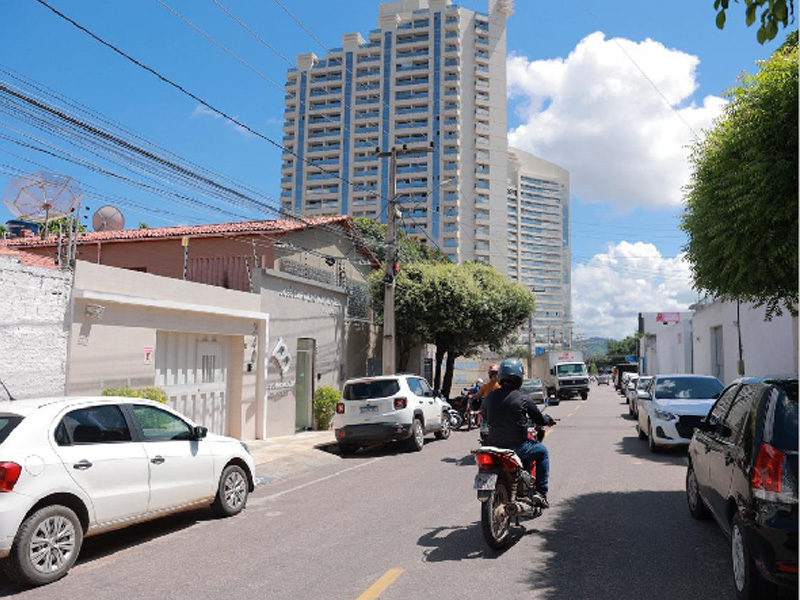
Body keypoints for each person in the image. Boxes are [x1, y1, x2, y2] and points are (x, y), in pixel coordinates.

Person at [483, 358, 555, 508]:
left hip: (493, 446)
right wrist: (547, 419)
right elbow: (539, 419)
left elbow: (485, 417)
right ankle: (541, 493)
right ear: (519, 377)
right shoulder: (522, 398)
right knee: (542, 452)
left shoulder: (490, 397)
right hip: (518, 447)